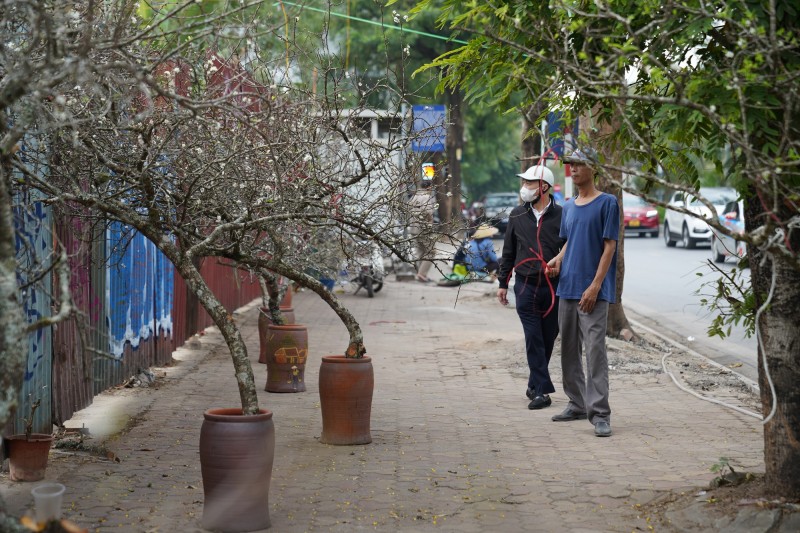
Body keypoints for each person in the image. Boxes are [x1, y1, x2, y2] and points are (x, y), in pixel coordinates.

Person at [546, 148, 619, 437]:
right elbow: (569, 242)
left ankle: (600, 413)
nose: (573, 169)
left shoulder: (608, 203)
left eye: (579, 164)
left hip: (593, 292)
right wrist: (557, 260)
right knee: (568, 351)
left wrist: (595, 285)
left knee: (595, 351)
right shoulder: (569, 206)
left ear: (593, 168)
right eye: (570, 165)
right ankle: (577, 403)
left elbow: (610, 246)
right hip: (567, 287)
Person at [497, 164, 564, 410]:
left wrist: (560, 267)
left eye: (529, 183)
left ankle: (534, 383)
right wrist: (503, 283)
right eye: (523, 183)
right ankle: (542, 393)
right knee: (533, 338)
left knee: (547, 339)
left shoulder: (562, 215)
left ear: (543, 187)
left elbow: (569, 250)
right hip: (525, 287)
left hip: (553, 288)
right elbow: (508, 252)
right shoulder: (516, 215)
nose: (524, 188)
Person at [409, 177, 436, 282]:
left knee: (420, 252)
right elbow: (428, 212)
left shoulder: (414, 197)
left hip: (413, 228)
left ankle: (419, 274)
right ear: (429, 187)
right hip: (424, 228)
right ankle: (421, 274)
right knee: (431, 252)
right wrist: (430, 223)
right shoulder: (427, 197)